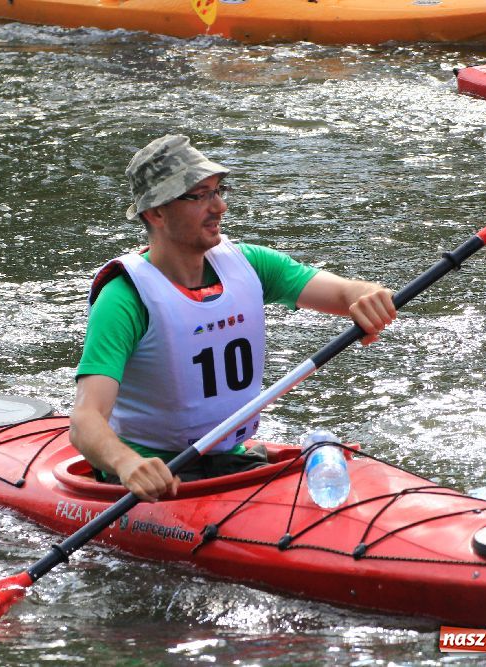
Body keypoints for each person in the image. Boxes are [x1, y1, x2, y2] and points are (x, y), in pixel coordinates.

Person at [70, 135, 396, 502]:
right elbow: (85, 419)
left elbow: (345, 293)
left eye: (219, 191)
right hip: (154, 476)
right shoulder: (124, 298)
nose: (220, 206)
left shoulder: (250, 264)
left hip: (231, 460)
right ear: (156, 213)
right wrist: (126, 463)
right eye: (200, 196)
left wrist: (366, 295)